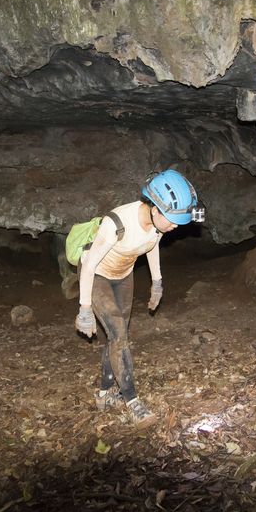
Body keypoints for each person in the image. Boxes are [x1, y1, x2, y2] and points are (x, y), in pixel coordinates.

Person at [75, 169, 205, 424]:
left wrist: (157, 282)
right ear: (155, 209)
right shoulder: (117, 222)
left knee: (117, 333)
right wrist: (85, 308)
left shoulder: (158, 226)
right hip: (96, 275)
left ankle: (103, 394)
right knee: (119, 333)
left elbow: (152, 244)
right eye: (172, 219)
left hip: (123, 275)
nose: (175, 226)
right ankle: (132, 400)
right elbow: (89, 264)